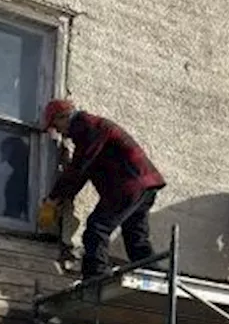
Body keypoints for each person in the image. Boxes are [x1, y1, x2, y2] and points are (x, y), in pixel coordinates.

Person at [38, 99, 166, 281]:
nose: (57, 131)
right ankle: (156, 278)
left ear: (64, 116)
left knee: (96, 228)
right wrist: (62, 197)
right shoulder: (91, 129)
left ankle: (95, 277)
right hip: (143, 185)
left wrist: (52, 199)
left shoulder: (87, 127)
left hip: (127, 185)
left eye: (55, 125)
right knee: (136, 238)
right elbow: (83, 171)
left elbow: (79, 168)